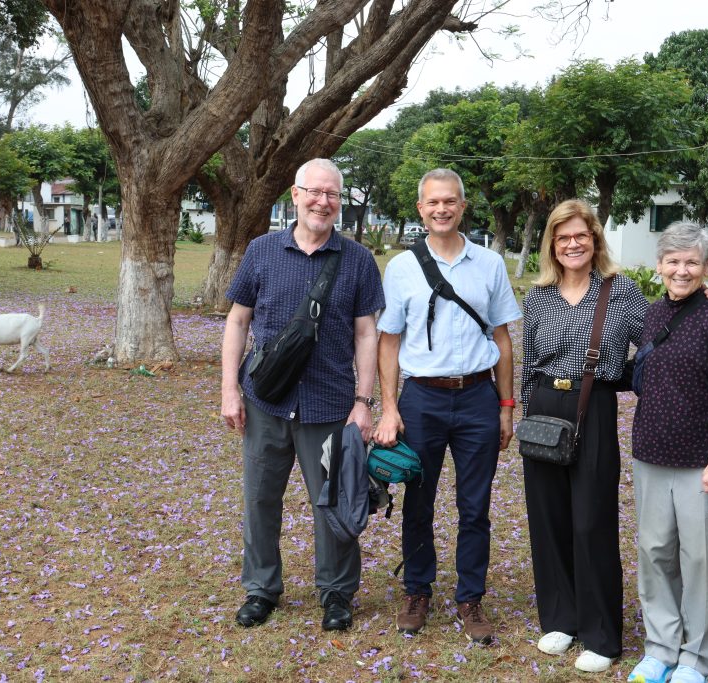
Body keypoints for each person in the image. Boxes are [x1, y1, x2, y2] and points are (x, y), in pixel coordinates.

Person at [220, 158, 385, 632]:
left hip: (330, 404)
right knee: (260, 499)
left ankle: (336, 593)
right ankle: (261, 588)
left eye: (332, 194)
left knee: (334, 500)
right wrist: (230, 389)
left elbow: (366, 334)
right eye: (314, 192)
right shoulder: (262, 250)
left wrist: (363, 402)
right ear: (295, 195)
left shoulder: (357, 259)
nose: (323, 202)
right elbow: (237, 320)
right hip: (266, 401)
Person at [374, 168, 521, 644]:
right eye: (433, 202)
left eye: (450, 201)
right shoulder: (401, 268)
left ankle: (470, 597)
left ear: (462, 207)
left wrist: (505, 407)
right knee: (418, 502)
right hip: (422, 399)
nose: (442, 209)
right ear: (421, 209)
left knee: (475, 506)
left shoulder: (490, 264)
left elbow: (502, 338)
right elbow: (389, 340)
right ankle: (417, 591)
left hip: (478, 397)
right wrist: (389, 408)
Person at [519, 198, 649, 672]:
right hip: (543, 407)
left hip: (592, 405)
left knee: (591, 520)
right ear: (552, 244)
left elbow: (658, 342)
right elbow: (529, 363)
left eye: (581, 235)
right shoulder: (538, 297)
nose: (572, 244)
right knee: (548, 517)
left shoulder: (621, 291)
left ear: (594, 239)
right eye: (563, 237)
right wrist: (525, 416)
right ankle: (561, 619)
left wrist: (623, 377)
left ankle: (600, 634)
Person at [626, 222, 708, 683]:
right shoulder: (652, 315)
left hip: (704, 462)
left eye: (692, 262)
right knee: (655, 553)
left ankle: (696, 659)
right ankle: (660, 649)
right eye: (673, 261)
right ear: (659, 266)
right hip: (651, 454)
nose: (682, 270)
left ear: (706, 267)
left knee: (702, 562)